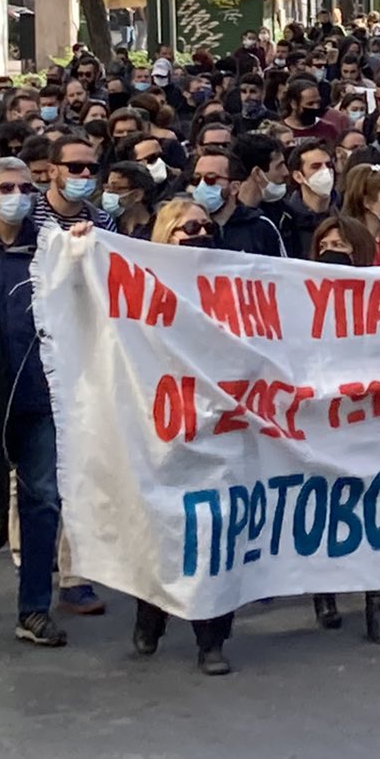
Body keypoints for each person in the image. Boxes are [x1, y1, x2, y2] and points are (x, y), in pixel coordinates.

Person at [129, 200, 238, 673]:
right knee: (164, 526)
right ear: (166, 233)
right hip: (163, 424)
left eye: (206, 227)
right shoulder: (139, 283)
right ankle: (151, 609)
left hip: (220, 423)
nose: (200, 233)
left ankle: (211, 637)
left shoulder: (234, 283)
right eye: (188, 226)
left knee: (218, 529)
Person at [0, 157, 69, 646]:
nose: (16, 194)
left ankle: (33, 608)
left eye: (25, 186)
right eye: (5, 186)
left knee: (43, 499)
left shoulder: (54, 246)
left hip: (38, 395)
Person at [305, 212, 380, 646]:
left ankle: (375, 604)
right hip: (317, 418)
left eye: (342, 248)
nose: (333, 256)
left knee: (378, 510)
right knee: (320, 505)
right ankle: (323, 590)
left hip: (372, 416)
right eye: (326, 247)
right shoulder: (296, 298)